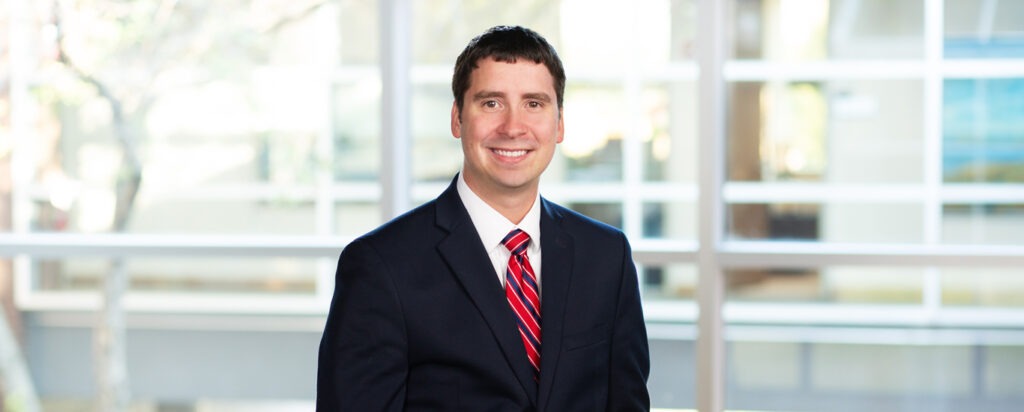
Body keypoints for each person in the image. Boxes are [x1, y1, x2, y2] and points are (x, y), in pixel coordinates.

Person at [317, 25, 650, 411]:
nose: (513, 127)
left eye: (534, 104)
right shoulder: (381, 266)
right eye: (491, 103)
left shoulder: (607, 257)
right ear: (457, 118)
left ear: (559, 124)